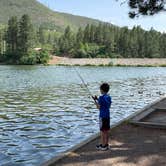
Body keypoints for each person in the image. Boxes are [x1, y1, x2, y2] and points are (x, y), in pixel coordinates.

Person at [92, 83, 112, 151]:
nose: (100, 90)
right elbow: (107, 105)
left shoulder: (101, 97)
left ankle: (103, 146)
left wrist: (95, 102)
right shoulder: (108, 97)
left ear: (102, 90)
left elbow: (99, 107)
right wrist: (97, 99)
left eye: (100, 89)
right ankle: (106, 144)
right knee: (106, 131)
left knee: (102, 131)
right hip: (107, 116)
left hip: (102, 117)